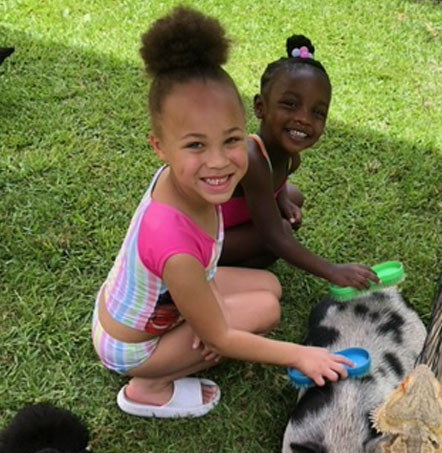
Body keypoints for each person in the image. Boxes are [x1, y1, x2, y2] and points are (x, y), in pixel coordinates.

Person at [91, 6, 352, 419]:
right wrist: (302, 356)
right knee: (266, 311)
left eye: (231, 140)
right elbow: (223, 336)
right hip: (132, 346)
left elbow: (207, 268)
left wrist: (210, 317)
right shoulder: (174, 243)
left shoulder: (188, 185)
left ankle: (191, 331)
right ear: (159, 147)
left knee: (269, 286)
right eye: (196, 145)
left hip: (146, 303)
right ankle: (149, 388)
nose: (219, 162)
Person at [220, 35, 378, 290]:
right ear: (260, 107)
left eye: (317, 112)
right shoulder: (250, 156)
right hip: (198, 237)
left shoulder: (290, 158)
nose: (304, 119)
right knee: (280, 230)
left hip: (233, 220)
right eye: (290, 105)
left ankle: (239, 264)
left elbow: (277, 184)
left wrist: (281, 199)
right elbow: (273, 235)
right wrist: (333, 271)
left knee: (294, 197)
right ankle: (214, 274)